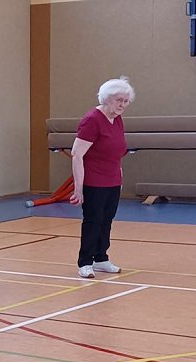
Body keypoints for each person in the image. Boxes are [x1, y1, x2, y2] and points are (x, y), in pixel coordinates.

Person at [69, 76, 134, 278]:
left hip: (113, 180)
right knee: (93, 220)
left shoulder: (117, 119)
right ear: (106, 98)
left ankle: (101, 258)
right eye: (118, 100)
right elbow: (77, 154)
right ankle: (85, 262)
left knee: (107, 220)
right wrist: (78, 188)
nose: (122, 105)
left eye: (126, 101)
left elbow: (116, 153)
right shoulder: (92, 120)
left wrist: (119, 178)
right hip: (94, 181)